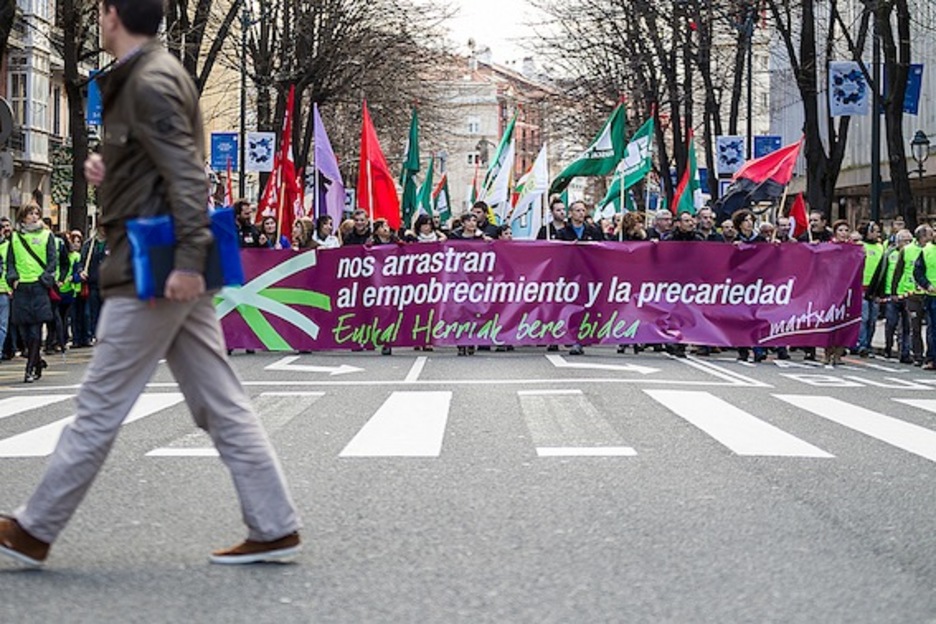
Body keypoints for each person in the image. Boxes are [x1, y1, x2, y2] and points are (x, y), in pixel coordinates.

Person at [0, 0, 300, 569]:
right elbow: (156, 169)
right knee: (220, 401)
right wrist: (110, 171)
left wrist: (187, 259)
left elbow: (188, 175)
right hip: (167, 262)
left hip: (154, 269)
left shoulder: (150, 81)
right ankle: (274, 524)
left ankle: (35, 528)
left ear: (112, 15)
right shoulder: (146, 76)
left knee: (100, 404)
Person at [4, 203, 55, 383]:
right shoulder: (15, 237)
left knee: (35, 331)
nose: (34, 216)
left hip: (38, 286)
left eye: (37, 213)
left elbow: (52, 262)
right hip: (21, 288)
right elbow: (10, 262)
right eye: (30, 213)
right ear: (22, 217)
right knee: (23, 331)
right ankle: (37, 360)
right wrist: (13, 277)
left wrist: (44, 279)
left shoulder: (47, 235)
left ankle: (30, 369)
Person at [894, 224, 933, 366]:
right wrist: (894, 292)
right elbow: (898, 271)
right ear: (923, 236)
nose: (933, 235)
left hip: (929, 295)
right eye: (930, 234)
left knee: (931, 327)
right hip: (912, 296)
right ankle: (918, 355)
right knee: (914, 327)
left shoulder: (931, 250)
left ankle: (931, 355)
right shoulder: (907, 250)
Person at [856, 222, 885, 357]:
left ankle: (868, 343)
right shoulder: (860, 246)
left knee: (873, 319)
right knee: (864, 318)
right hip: (862, 286)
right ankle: (861, 344)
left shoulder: (881, 247)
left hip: (875, 289)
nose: (877, 234)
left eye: (878, 232)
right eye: (874, 231)